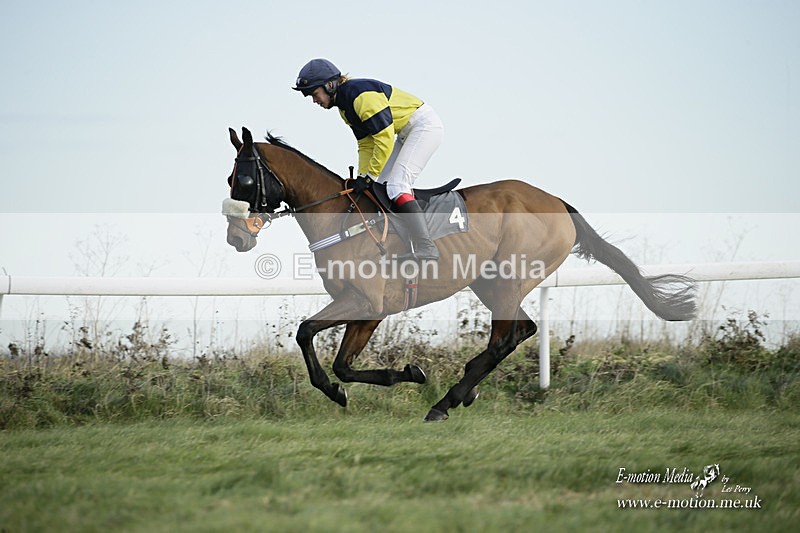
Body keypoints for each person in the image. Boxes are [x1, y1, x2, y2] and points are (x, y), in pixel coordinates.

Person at [292, 58, 444, 260]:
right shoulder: (345, 109)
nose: (314, 100)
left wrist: (370, 175)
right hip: (404, 133)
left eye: (314, 94)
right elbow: (366, 144)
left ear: (329, 85)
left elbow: (384, 138)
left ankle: (427, 246)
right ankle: (400, 241)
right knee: (379, 187)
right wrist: (363, 177)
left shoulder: (360, 97)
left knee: (397, 186)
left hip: (424, 127)